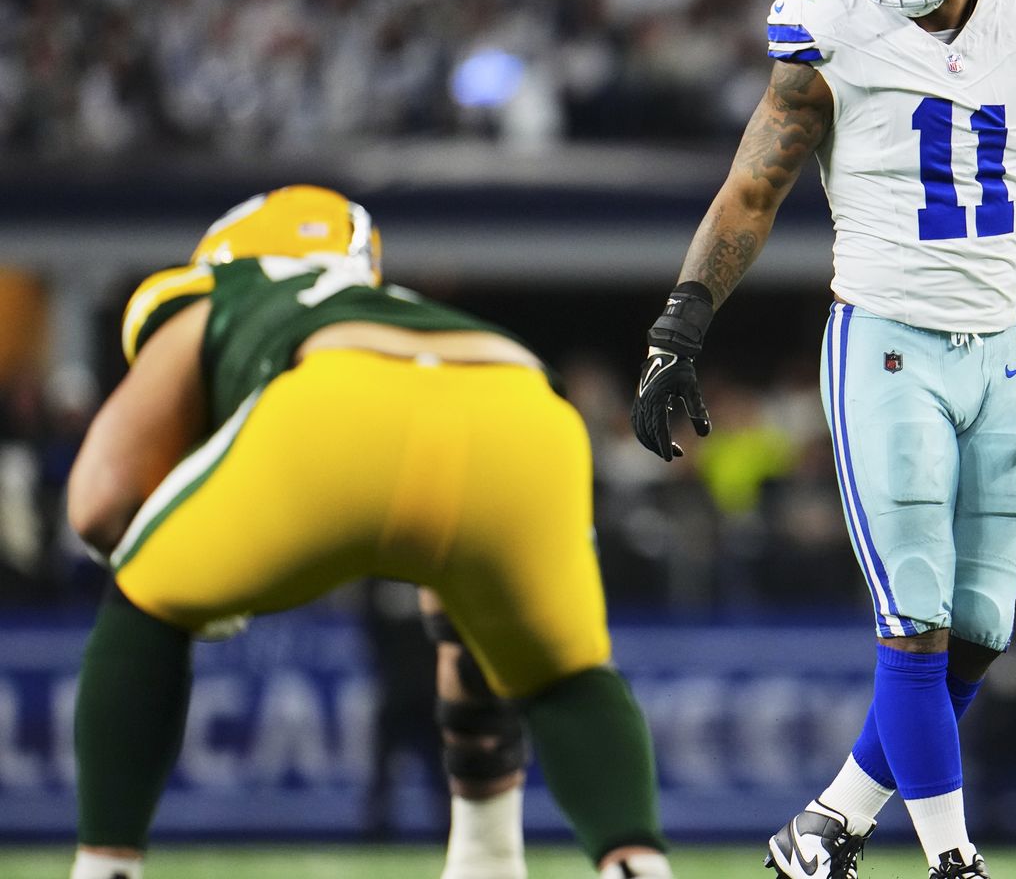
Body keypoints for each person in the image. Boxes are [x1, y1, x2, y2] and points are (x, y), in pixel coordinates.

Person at [629, 0, 1016, 879]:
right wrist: (678, 328)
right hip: (887, 347)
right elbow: (751, 190)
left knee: (978, 634)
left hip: (998, 348)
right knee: (912, 625)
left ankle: (826, 822)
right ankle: (954, 861)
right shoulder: (829, 37)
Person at [64, 185, 672, 879]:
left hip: (341, 406)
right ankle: (575, 861)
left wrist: (190, 583)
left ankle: (105, 866)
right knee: (564, 674)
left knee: (143, 600)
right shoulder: (401, 309)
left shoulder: (222, 287)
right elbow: (459, 592)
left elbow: (99, 502)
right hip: (525, 403)